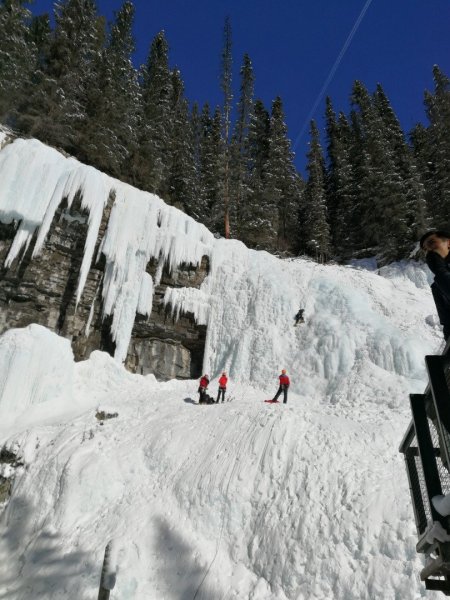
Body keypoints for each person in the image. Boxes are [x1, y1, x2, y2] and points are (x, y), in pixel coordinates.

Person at [420, 229, 450, 341]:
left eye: (432, 243)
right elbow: (448, 326)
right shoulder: (437, 287)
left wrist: (440, 271)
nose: (430, 251)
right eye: (426, 250)